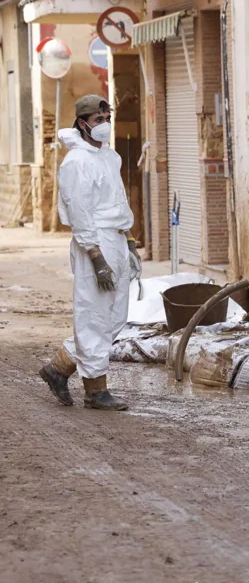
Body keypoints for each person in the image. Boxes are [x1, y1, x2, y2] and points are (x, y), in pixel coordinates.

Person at [38, 95, 140, 411]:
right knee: (93, 315)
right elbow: (80, 212)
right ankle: (96, 390)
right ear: (83, 124)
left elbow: (118, 200)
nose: (104, 124)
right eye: (98, 120)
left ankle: (59, 367)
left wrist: (130, 242)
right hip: (94, 242)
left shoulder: (108, 157)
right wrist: (96, 256)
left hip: (117, 239)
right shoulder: (76, 163)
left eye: (106, 117)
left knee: (115, 316)